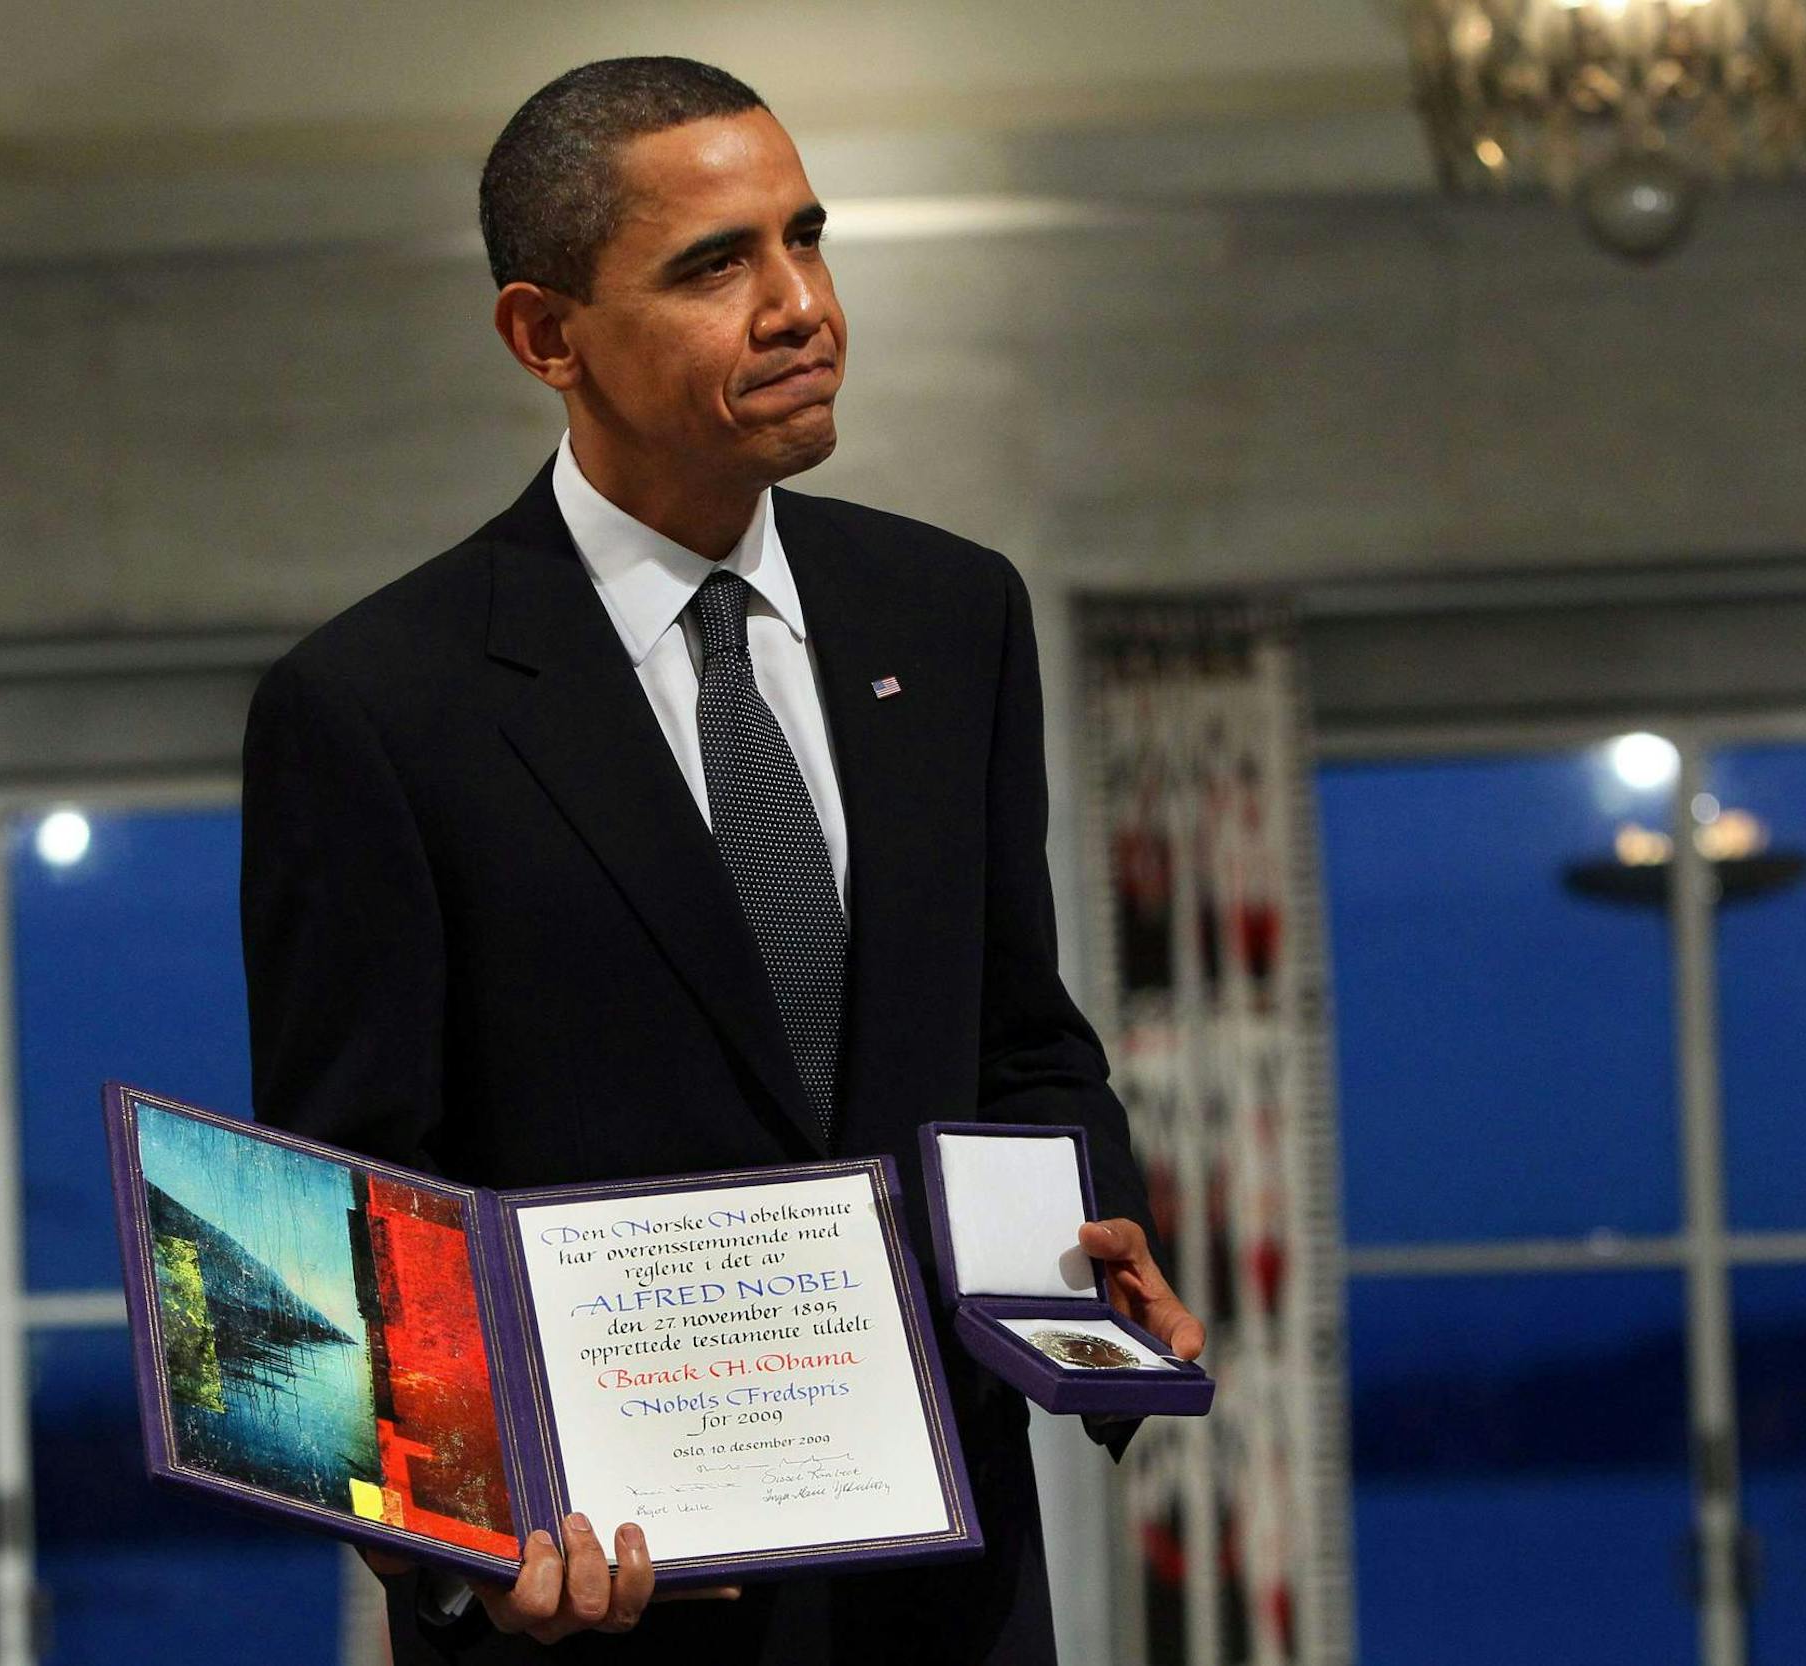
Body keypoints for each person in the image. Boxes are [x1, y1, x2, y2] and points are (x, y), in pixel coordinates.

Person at [240, 55, 1201, 1665]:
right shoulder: (372, 707)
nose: (800, 304)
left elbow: (1025, 1052)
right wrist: (470, 1543)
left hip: (943, 1610)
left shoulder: (952, 617)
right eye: (716, 265)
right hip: (597, 1623)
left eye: (806, 239)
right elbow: (346, 1221)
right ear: (545, 335)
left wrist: (1085, 1249)